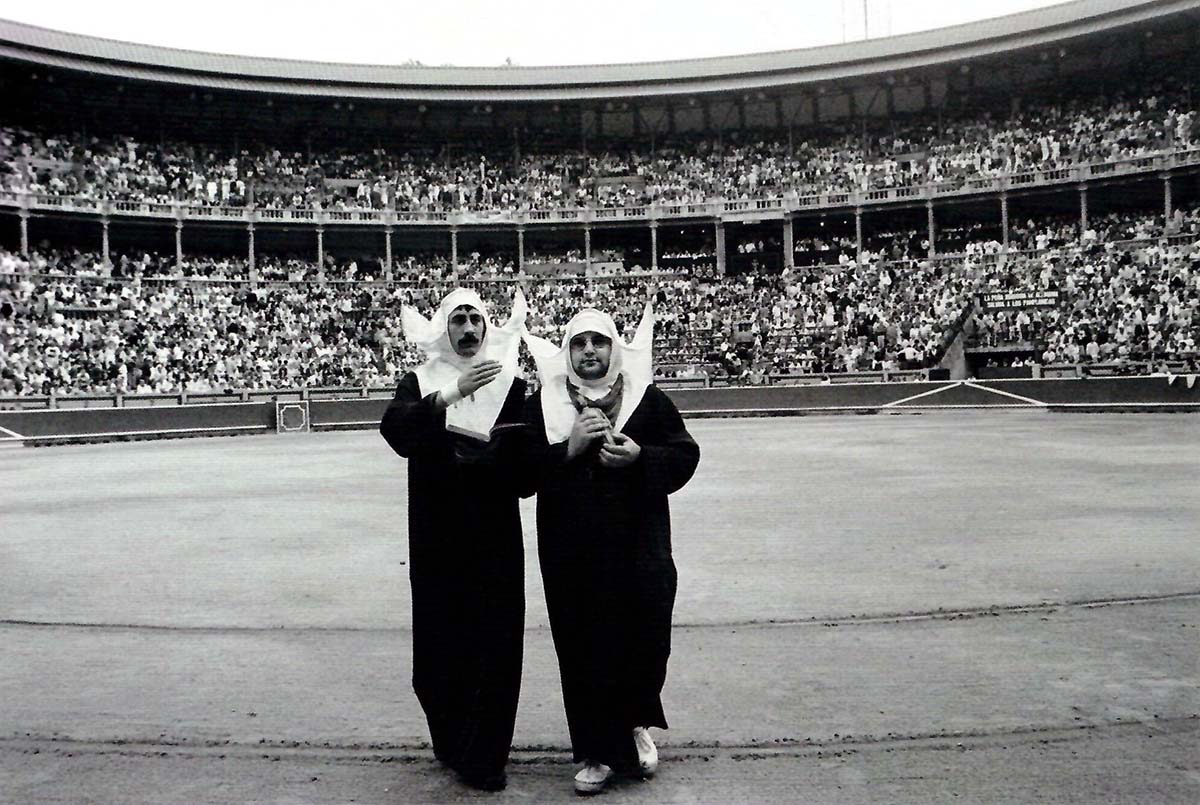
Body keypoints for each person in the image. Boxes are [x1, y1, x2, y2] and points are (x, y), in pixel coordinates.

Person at [522, 304, 701, 795]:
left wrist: (642, 458)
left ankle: (637, 723)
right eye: (579, 344)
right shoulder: (545, 404)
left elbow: (686, 454)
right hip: (571, 550)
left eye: (598, 342)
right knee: (583, 644)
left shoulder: (646, 399)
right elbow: (519, 473)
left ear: (614, 348)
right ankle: (597, 750)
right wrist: (569, 449)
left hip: (639, 544)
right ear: (567, 353)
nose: (589, 352)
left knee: (644, 633)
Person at [379, 287, 529, 791]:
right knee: (441, 644)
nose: (468, 328)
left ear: (488, 328)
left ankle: (485, 755)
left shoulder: (513, 386)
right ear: (444, 328)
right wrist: (452, 394)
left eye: (476, 319)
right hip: (436, 534)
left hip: (495, 536)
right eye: (458, 319)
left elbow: (527, 471)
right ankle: (451, 740)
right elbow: (396, 432)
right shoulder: (420, 381)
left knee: (496, 643)